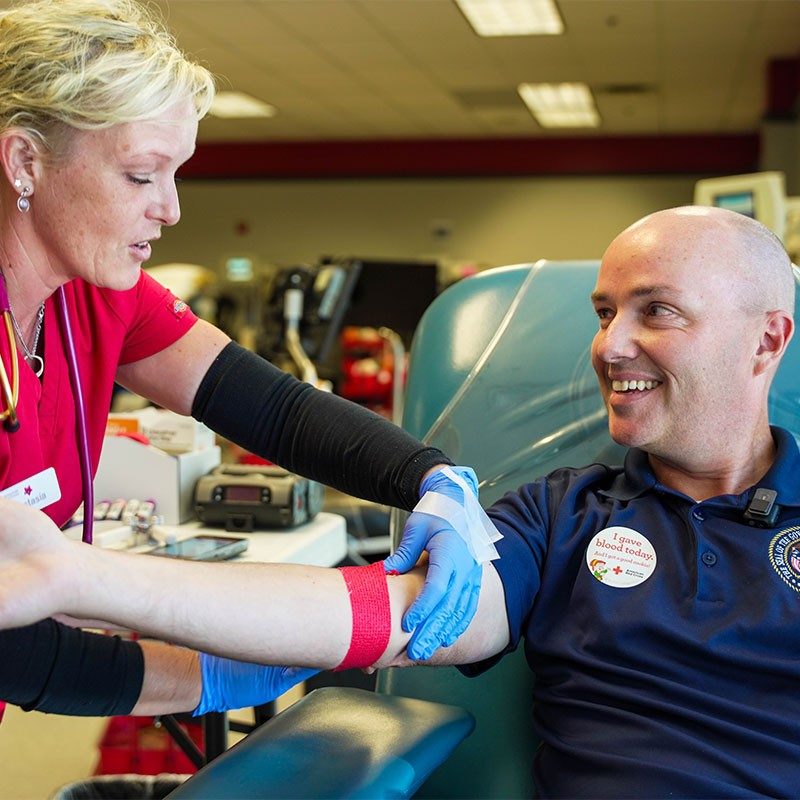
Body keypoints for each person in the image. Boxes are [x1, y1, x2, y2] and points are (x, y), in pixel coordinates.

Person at [2, 205, 798, 798]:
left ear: (767, 340)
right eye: (603, 313)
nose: (609, 344)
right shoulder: (565, 515)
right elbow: (394, 614)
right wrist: (79, 576)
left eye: (655, 310)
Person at [0, 0, 487, 722]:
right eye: (142, 175)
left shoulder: (97, 298)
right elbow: (17, 651)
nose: (170, 209)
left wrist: (429, 478)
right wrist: (202, 677)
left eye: (177, 174)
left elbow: (273, 409)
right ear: (24, 160)